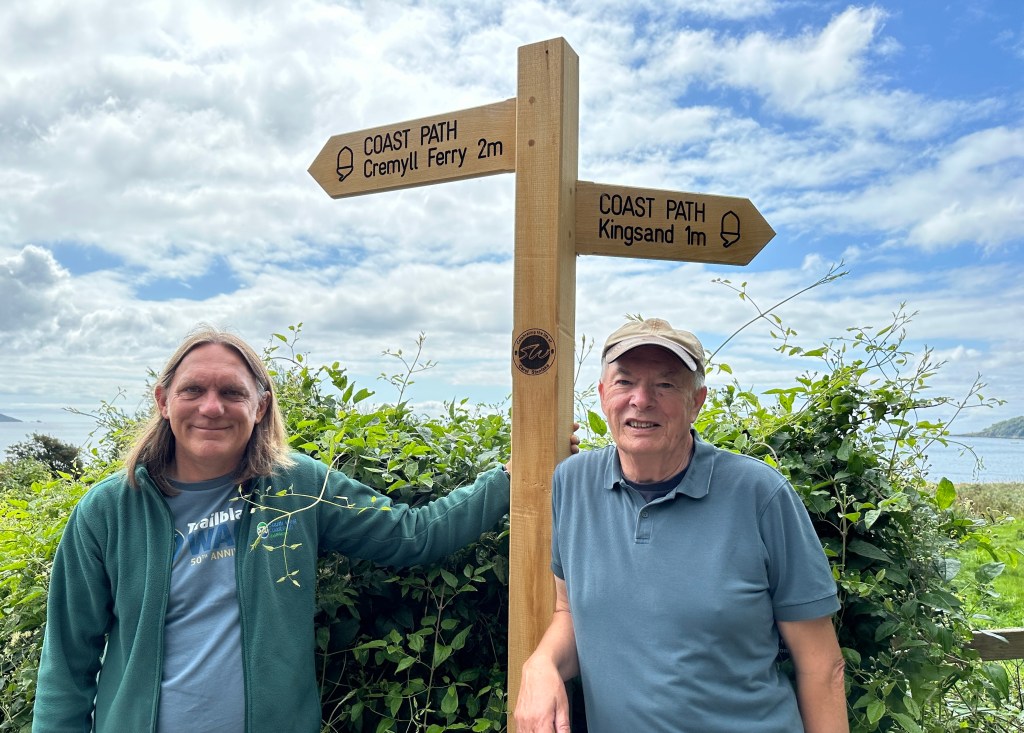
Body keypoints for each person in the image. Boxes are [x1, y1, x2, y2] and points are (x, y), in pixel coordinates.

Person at [33, 326, 576, 733]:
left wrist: (513, 477)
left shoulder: (299, 488)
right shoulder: (107, 512)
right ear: (163, 400)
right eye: (193, 390)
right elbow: (68, 662)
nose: (212, 407)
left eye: (233, 393)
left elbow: (413, 535)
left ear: (261, 406)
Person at [515, 317, 847, 733]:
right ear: (603, 395)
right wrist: (541, 663)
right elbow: (569, 610)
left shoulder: (760, 494)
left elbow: (821, 665)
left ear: (697, 401)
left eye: (666, 385)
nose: (641, 399)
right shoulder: (573, 483)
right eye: (624, 382)